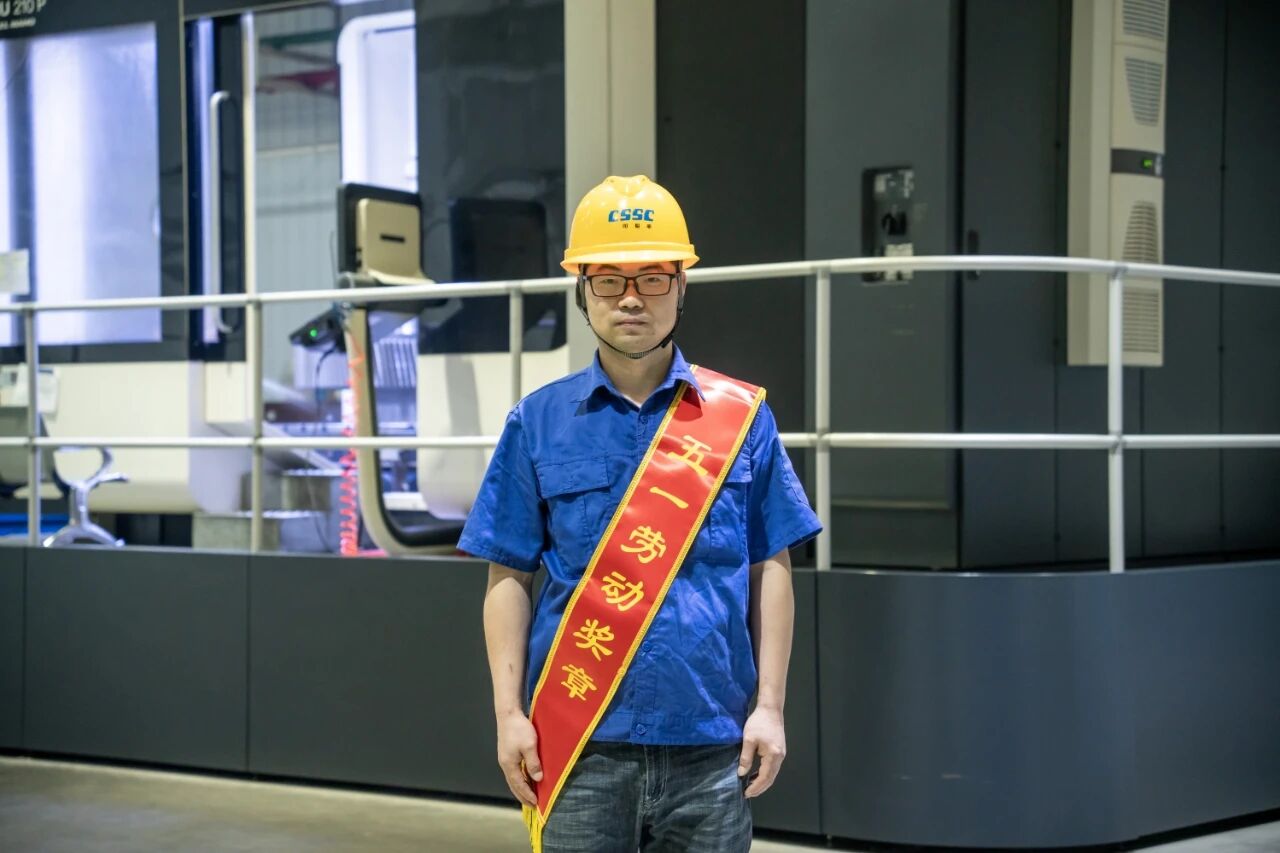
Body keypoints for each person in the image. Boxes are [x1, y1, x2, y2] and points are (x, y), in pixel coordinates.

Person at [459, 175, 821, 852]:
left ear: (682, 286)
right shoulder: (536, 422)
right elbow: (507, 576)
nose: (631, 297)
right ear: (581, 289)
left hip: (710, 747)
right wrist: (509, 714)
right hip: (580, 745)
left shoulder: (742, 419)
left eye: (653, 277)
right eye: (608, 279)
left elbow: (770, 564)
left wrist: (770, 706)